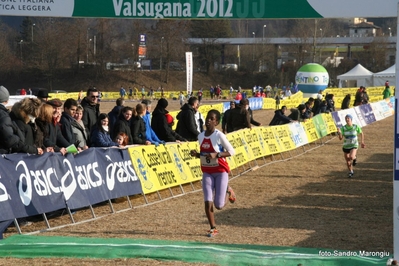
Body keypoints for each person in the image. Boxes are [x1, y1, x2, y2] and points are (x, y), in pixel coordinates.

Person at [189, 109, 236, 237]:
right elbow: (205, 156)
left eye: (211, 119)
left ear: (216, 122)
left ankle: (228, 191)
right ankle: (213, 228)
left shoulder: (219, 135)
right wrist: (197, 154)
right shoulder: (200, 136)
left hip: (221, 171)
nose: (208, 121)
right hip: (207, 172)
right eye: (207, 118)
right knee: (207, 200)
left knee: (219, 205)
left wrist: (218, 154)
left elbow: (232, 151)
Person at [337, 114, 365, 178]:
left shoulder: (355, 126)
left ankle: (355, 158)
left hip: (354, 144)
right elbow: (340, 138)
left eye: (348, 118)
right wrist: (339, 133)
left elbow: (361, 133)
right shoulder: (343, 128)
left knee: (351, 157)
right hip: (346, 146)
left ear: (351, 119)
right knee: (347, 160)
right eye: (346, 118)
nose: (347, 120)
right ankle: (351, 171)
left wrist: (362, 142)